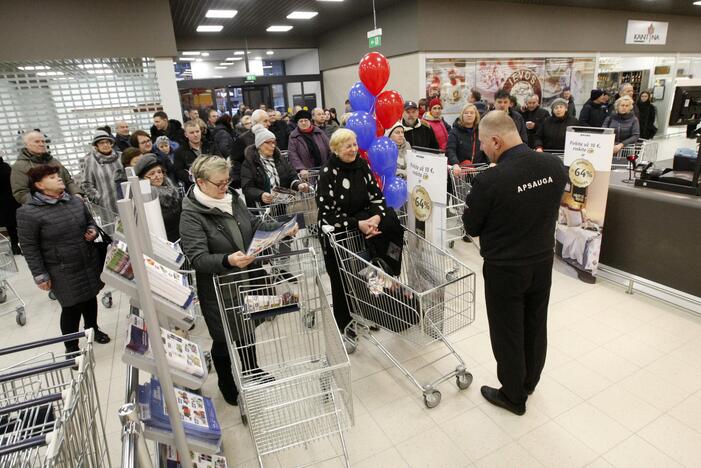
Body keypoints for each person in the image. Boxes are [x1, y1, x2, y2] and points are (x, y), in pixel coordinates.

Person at [462, 111, 567, 415]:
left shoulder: (490, 180)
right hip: (542, 260)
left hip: (504, 267)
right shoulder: (553, 166)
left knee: (508, 330)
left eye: (483, 143)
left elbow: (472, 227)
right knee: (535, 323)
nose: (483, 149)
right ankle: (529, 382)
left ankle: (513, 395)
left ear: (495, 140)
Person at [179, 155, 282, 406]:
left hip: (248, 276)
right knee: (224, 337)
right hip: (220, 286)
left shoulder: (233, 198)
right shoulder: (192, 214)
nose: (226, 187)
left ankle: (251, 370)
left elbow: (251, 223)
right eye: (220, 184)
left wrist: (278, 227)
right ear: (201, 182)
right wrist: (227, 260)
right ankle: (227, 383)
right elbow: (197, 258)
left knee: (247, 327)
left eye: (228, 181)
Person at [316, 129, 400, 346]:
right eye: (348, 146)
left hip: (366, 229)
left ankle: (373, 311)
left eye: (354, 144)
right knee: (341, 280)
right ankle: (345, 326)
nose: (353, 149)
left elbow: (377, 196)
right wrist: (358, 224)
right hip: (337, 234)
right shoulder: (327, 173)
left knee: (370, 271)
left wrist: (376, 219)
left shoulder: (362, 165)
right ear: (335, 149)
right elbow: (327, 214)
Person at [17, 165, 111, 355]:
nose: (59, 179)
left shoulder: (75, 202)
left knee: (90, 298)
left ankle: (93, 330)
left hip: (87, 259)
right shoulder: (28, 213)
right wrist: (40, 275)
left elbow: (90, 222)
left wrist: (91, 231)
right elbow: (29, 247)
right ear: (39, 185)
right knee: (71, 307)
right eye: (52, 177)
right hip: (60, 268)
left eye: (57, 175)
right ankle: (72, 347)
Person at [240, 125, 309, 207]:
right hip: (263, 209)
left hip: (283, 206)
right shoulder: (249, 162)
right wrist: (261, 195)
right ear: (259, 145)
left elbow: (292, 176)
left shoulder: (280, 159)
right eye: (268, 142)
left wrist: (298, 185)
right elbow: (247, 188)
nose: (272, 145)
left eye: (273, 142)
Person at [11, 131, 82, 204]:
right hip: (42, 210)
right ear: (26, 145)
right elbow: (21, 192)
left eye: (43, 141)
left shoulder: (54, 161)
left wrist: (76, 194)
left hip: (66, 203)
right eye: (37, 142)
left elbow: (68, 181)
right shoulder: (19, 167)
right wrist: (41, 204)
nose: (41, 144)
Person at [134, 154, 181, 242]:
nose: (158, 176)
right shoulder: (145, 198)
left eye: (159, 172)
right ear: (142, 178)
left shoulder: (173, 191)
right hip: (163, 243)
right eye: (152, 173)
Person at [81, 130, 122, 214]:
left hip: (126, 201)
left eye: (107, 142)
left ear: (111, 143)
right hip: (107, 207)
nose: (105, 145)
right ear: (96, 146)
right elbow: (86, 184)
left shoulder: (121, 157)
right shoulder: (90, 161)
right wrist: (99, 198)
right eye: (101, 143)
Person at [230, 109, 270, 188]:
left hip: (269, 179)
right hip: (252, 183)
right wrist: (246, 180)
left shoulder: (269, 137)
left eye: (268, 121)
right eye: (265, 121)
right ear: (255, 123)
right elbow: (235, 162)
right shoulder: (243, 139)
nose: (269, 124)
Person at [446, 103, 484, 172]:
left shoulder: (481, 131)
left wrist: (491, 162)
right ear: (462, 115)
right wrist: (455, 164)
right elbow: (450, 149)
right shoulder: (454, 132)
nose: (469, 115)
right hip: (461, 171)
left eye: (472, 113)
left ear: (476, 115)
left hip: (479, 169)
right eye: (466, 113)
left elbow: (486, 148)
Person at [174, 120, 210, 189]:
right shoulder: (179, 152)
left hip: (212, 182)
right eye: (192, 133)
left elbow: (219, 161)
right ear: (186, 135)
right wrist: (193, 178)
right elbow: (178, 171)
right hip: (193, 187)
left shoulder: (211, 146)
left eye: (197, 131)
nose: (195, 135)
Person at [0, 153, 21, 254]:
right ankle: (22, 245)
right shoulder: (7, 167)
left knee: (10, 226)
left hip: (3, 203)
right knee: (19, 223)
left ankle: (15, 246)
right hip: (13, 200)